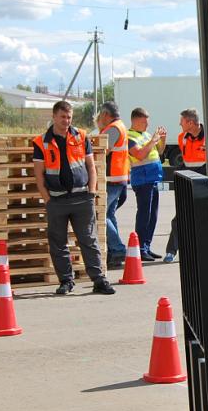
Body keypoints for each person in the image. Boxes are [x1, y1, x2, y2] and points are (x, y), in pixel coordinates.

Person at [32, 100, 116, 295]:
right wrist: (48, 201)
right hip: (57, 200)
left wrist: (92, 192)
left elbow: (91, 167)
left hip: (82, 198)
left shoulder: (81, 136)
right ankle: (66, 281)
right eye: (62, 117)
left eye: (69, 117)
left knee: (89, 240)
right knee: (58, 243)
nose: (66, 121)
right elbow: (39, 175)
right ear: (53, 117)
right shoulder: (41, 142)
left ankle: (99, 280)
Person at [163, 109, 204, 262]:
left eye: (182, 121)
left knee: (206, 217)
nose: (180, 124)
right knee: (180, 218)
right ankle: (171, 251)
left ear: (191, 123)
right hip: (188, 181)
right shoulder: (182, 138)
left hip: (206, 181)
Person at [126, 107, 166, 261]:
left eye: (148, 122)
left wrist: (161, 140)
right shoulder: (129, 137)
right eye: (144, 122)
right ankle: (140, 248)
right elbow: (141, 155)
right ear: (135, 120)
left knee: (153, 215)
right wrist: (153, 140)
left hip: (153, 178)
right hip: (142, 180)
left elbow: (160, 152)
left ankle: (146, 246)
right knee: (144, 215)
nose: (147, 125)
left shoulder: (147, 135)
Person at [95, 101, 129, 269]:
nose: (100, 118)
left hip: (112, 178)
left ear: (106, 115)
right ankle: (114, 251)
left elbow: (103, 150)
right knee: (109, 214)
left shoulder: (113, 128)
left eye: (101, 115)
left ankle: (117, 249)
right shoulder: (119, 126)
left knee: (100, 214)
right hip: (118, 177)